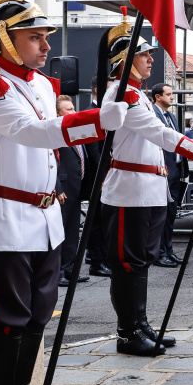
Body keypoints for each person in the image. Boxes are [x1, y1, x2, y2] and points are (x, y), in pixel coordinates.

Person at [0, 0, 127, 385]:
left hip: (45, 219)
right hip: (4, 220)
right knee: (7, 320)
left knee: (39, 315)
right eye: (35, 37)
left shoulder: (41, 83)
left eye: (46, 36)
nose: (46, 46)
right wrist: (97, 120)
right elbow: (33, 131)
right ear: (5, 39)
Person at [96, 11, 193, 357]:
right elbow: (160, 134)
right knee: (127, 264)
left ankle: (139, 323)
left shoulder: (136, 94)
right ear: (125, 59)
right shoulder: (121, 93)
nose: (151, 58)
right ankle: (127, 333)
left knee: (140, 262)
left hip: (148, 189)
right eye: (144, 54)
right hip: (128, 190)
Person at [56, 95, 91, 287]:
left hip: (76, 188)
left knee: (71, 232)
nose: (73, 112)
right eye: (68, 109)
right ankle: (58, 271)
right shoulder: (55, 132)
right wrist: (57, 187)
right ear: (58, 113)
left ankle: (70, 269)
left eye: (72, 108)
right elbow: (50, 161)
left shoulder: (74, 131)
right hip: (63, 188)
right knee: (60, 231)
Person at [150, 83, 184, 269]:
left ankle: (168, 250)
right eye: (169, 94)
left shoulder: (170, 115)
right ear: (157, 97)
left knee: (170, 215)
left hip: (175, 172)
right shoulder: (152, 116)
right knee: (160, 217)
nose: (172, 97)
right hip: (162, 172)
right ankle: (159, 253)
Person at [85, 77, 113, 278]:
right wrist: (103, 175)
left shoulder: (106, 113)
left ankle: (102, 258)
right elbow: (94, 149)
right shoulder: (90, 112)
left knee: (104, 221)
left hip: (107, 174)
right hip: (97, 176)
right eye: (109, 90)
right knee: (96, 222)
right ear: (97, 91)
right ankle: (96, 261)